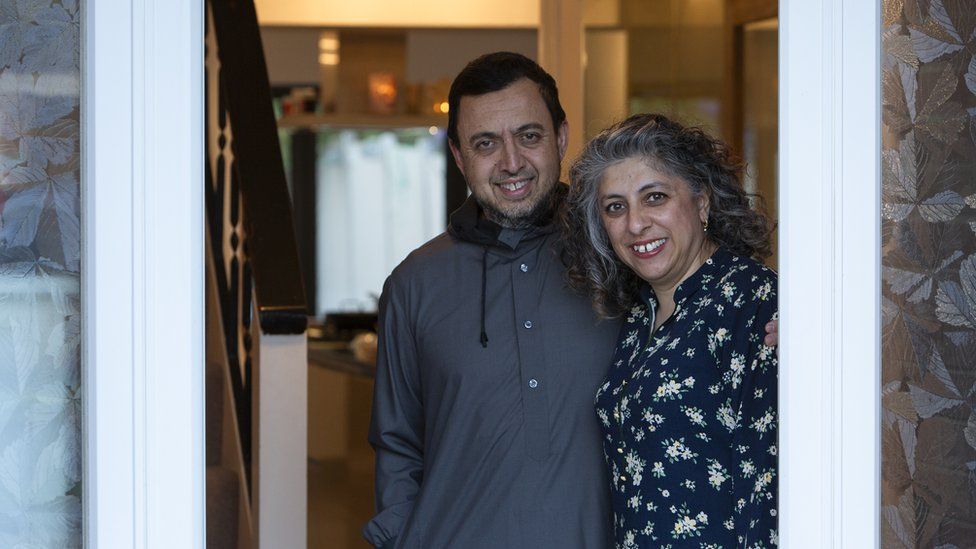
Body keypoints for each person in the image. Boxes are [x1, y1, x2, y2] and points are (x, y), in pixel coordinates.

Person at [363, 52, 777, 548]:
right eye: (486, 143)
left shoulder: (617, 257)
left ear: (560, 137)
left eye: (530, 136)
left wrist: (808, 319)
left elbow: (704, 275)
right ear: (458, 155)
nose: (512, 162)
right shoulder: (413, 285)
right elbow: (398, 446)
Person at [561, 113, 778, 548]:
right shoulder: (640, 314)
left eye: (655, 197)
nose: (636, 224)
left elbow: (769, 485)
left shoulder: (752, 302)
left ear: (702, 202)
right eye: (615, 207)